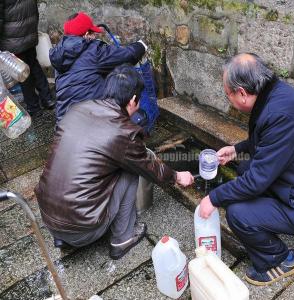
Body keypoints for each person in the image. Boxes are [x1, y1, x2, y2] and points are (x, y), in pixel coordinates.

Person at [199, 53, 294, 286]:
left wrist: (213, 198)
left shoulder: (281, 115)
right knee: (244, 168)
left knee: (238, 213)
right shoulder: (275, 95)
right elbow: (267, 142)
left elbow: (257, 181)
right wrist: (236, 150)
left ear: (242, 93)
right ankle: (269, 221)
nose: (228, 99)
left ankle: (280, 259)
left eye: (228, 94)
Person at [35, 64, 194, 260]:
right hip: (81, 230)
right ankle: (123, 239)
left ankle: (65, 237)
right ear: (133, 100)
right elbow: (149, 167)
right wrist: (178, 176)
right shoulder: (123, 132)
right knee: (130, 169)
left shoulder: (77, 109)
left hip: (49, 219)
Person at [50, 12, 148, 122]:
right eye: (93, 33)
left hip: (64, 127)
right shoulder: (92, 51)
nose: (95, 36)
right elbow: (128, 55)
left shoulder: (59, 55)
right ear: (86, 35)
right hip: (91, 125)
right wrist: (142, 45)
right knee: (139, 118)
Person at [0, 0, 55, 117]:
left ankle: (34, 107)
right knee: (33, 64)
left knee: (22, 72)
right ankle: (47, 99)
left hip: (13, 38)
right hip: (29, 32)